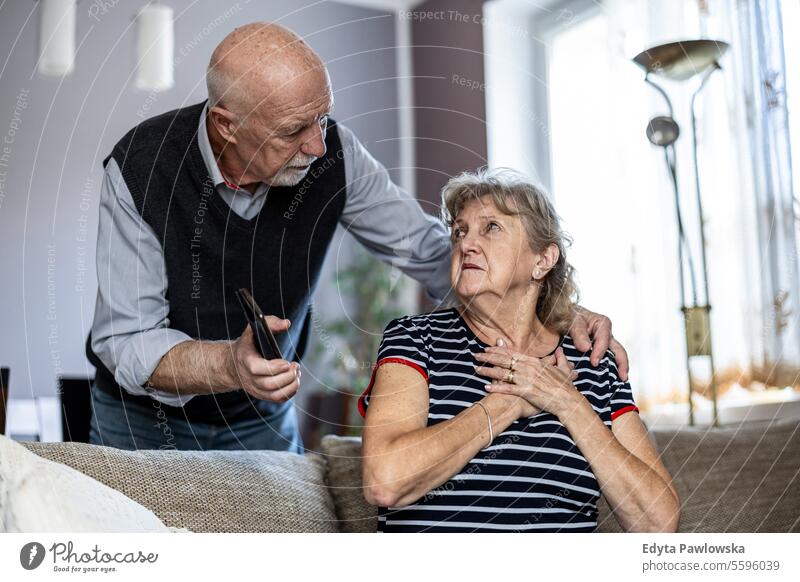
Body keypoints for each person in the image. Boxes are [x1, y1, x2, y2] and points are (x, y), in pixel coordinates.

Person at [88, 22, 627, 452]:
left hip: (260, 422)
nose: (317, 147)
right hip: (142, 420)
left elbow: (428, 249)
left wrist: (552, 313)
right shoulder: (139, 167)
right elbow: (128, 340)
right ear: (228, 124)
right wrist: (230, 364)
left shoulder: (334, 155)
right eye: (293, 130)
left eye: (321, 119)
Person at [360, 168, 680, 532]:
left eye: (491, 227)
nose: (465, 244)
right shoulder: (416, 340)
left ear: (542, 260)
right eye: (459, 231)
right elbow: (384, 480)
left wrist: (566, 401)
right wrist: (508, 404)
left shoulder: (593, 361)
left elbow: (658, 524)